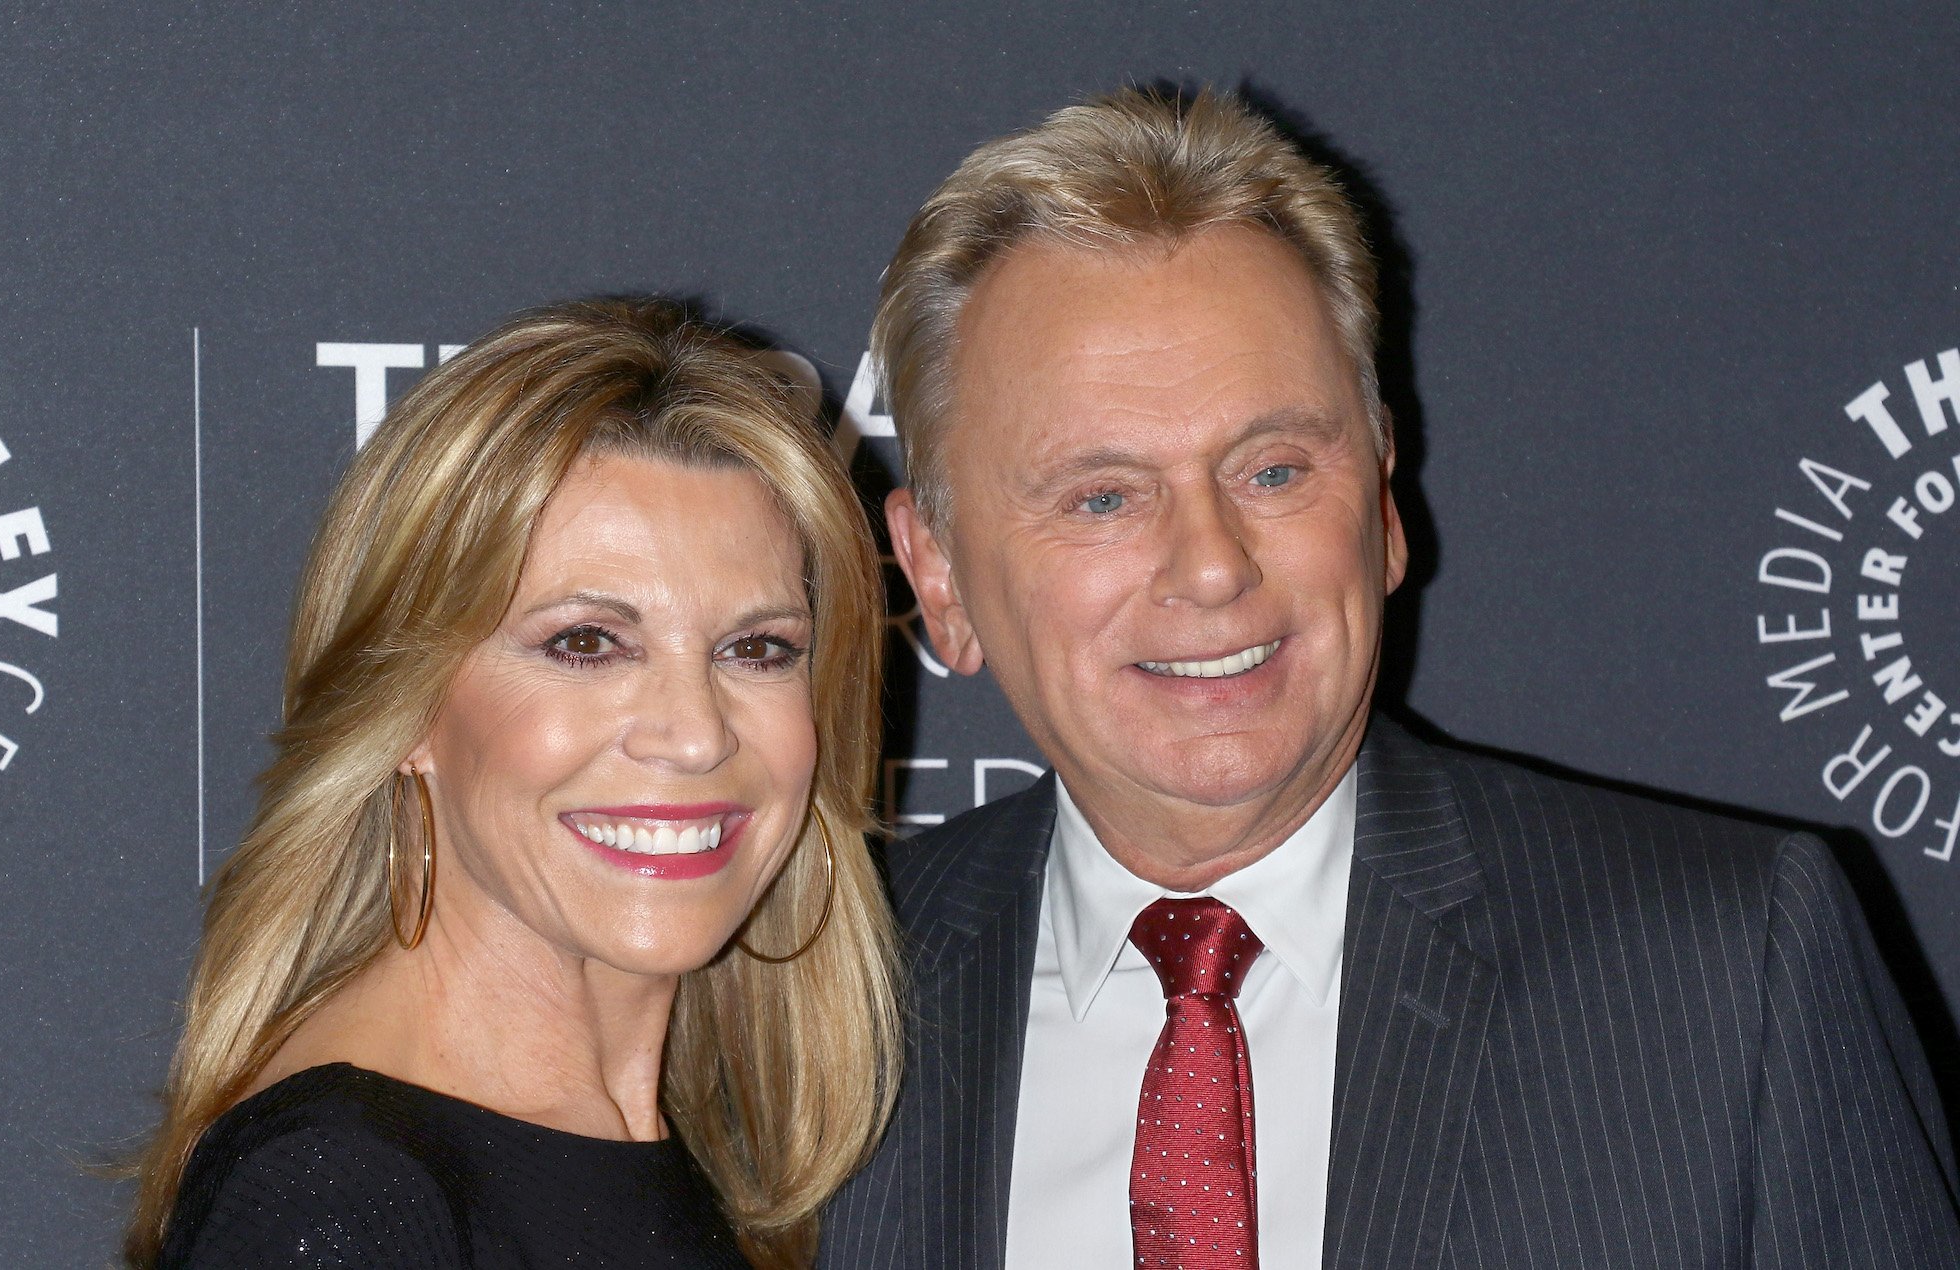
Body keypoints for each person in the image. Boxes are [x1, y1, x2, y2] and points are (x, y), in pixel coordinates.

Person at [822, 87, 1960, 1268]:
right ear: (939, 578)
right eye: (1102, 497)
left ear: (1379, 503)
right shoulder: (817, 1009)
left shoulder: (1728, 977)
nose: (1211, 566)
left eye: (1271, 470)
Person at [125, 298, 900, 1269]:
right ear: (408, 708)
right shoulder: (345, 1199)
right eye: (586, 643)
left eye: (757, 647)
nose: (695, 733)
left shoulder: (679, 1153)